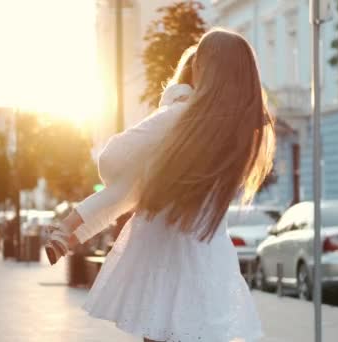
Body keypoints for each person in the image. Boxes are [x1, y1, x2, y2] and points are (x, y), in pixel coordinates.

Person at [45, 28, 274, 342]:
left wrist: (170, 105)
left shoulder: (179, 117)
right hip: (209, 264)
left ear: (202, 72)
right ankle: (66, 231)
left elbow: (113, 165)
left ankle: (65, 231)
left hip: (165, 259)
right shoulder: (241, 135)